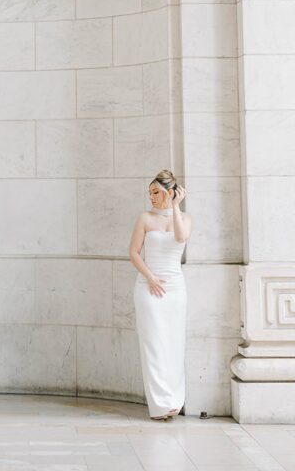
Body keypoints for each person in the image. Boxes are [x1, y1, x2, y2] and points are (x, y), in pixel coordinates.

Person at [129, 169, 191, 421]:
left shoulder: (185, 218)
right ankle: (159, 405)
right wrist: (150, 278)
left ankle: (174, 401)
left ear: (169, 192)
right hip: (148, 287)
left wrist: (175, 207)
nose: (151, 197)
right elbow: (133, 253)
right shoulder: (145, 218)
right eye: (149, 192)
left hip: (176, 289)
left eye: (156, 192)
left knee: (174, 344)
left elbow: (181, 237)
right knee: (153, 345)